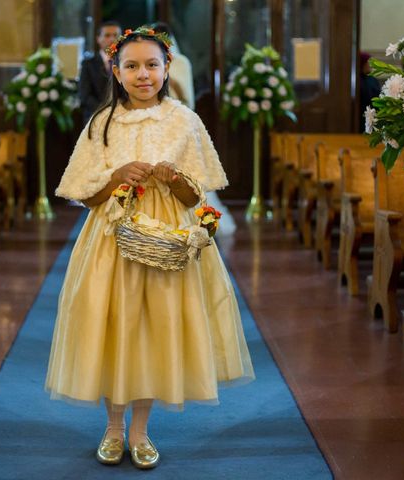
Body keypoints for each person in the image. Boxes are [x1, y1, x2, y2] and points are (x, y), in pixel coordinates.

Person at [46, 27, 255, 470]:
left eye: (152, 65)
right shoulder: (102, 124)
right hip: (110, 242)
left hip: (166, 241)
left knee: (152, 329)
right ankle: (112, 428)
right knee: (114, 326)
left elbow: (195, 196)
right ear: (116, 72)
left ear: (167, 68)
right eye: (133, 66)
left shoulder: (184, 121)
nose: (144, 74)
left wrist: (175, 179)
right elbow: (85, 194)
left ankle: (140, 431)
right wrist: (117, 174)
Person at [152, 21, 236, 237]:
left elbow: (188, 98)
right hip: (153, 122)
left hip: (176, 122)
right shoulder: (149, 64)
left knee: (182, 173)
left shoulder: (182, 63)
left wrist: (168, 80)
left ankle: (194, 216)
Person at [78, 21, 121, 124]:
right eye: (107, 35)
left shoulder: (127, 63)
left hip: (122, 115)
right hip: (95, 115)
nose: (112, 39)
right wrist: (106, 110)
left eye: (116, 35)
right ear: (98, 39)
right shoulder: (88, 63)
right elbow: (85, 96)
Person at [359, 52, 381, 132]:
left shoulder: (372, 79)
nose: (369, 65)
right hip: (361, 117)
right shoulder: (357, 81)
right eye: (367, 62)